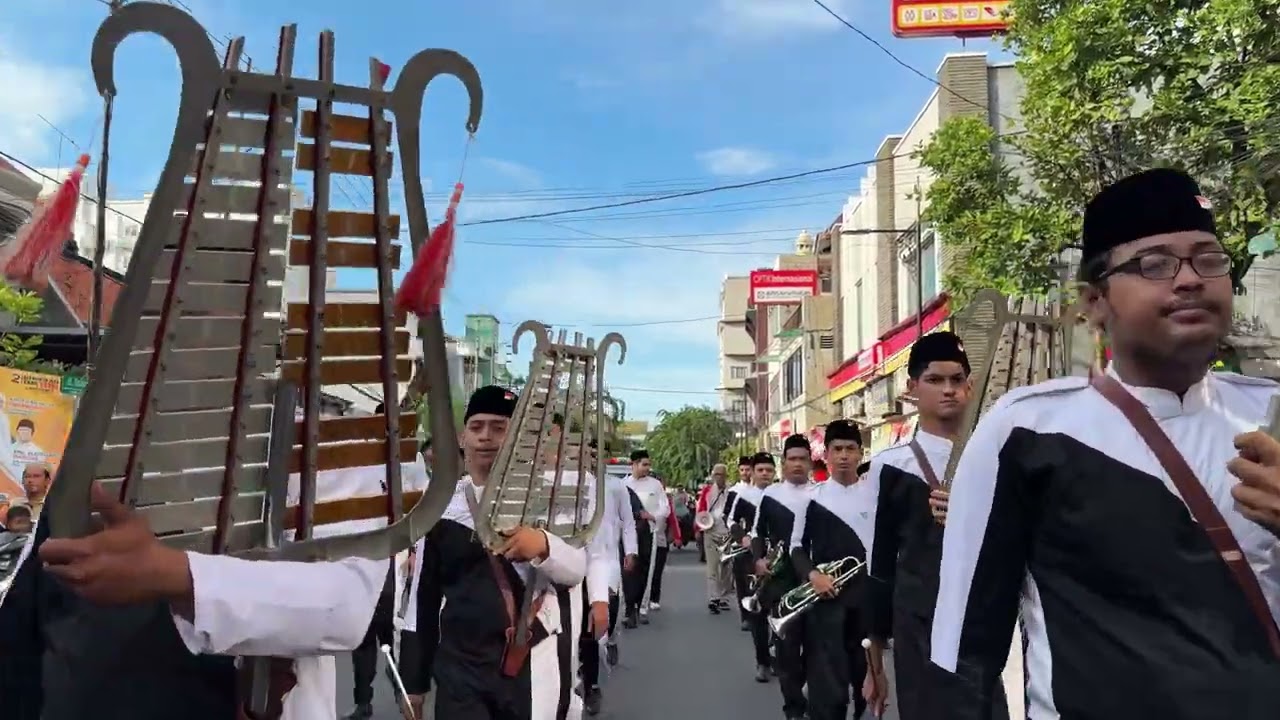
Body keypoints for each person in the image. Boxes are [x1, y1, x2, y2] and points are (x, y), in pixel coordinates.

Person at [929, 168, 1280, 719]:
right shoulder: (1029, 431)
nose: (1189, 279)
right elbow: (964, 652)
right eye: (1155, 264)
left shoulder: (1270, 416)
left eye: (1208, 260)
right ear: (1094, 301)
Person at [405, 385, 587, 720]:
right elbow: (422, 600)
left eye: (499, 427)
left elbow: (576, 569)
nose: (485, 436)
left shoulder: (548, 499)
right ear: (463, 437)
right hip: (461, 669)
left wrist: (543, 545)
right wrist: (413, 685)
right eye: (477, 427)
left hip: (532, 661)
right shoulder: (439, 506)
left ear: (518, 438)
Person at [863, 331, 1002, 720]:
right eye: (935, 380)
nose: (949, 390)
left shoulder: (996, 458)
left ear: (970, 387)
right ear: (912, 388)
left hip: (982, 627)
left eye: (957, 380)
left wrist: (972, 516)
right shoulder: (890, 467)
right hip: (918, 629)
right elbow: (879, 564)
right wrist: (875, 663)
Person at [790, 419, 873, 720]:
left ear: (860, 454)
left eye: (850, 449)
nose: (843, 456)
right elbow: (796, 548)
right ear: (825, 454)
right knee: (827, 688)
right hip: (826, 602)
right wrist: (814, 576)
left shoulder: (876, 495)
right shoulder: (811, 498)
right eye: (836, 449)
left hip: (866, 602)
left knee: (867, 681)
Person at [750, 436, 815, 718]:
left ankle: (804, 686)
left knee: (815, 649)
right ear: (784, 463)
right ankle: (794, 709)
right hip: (780, 583)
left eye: (803, 459)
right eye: (792, 459)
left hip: (814, 582)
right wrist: (759, 559)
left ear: (811, 462)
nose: (798, 464)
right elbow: (757, 534)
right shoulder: (771, 496)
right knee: (787, 651)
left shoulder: (822, 494)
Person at [579, 440, 638, 716]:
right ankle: (590, 684)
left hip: (607, 560)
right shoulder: (567, 482)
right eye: (585, 451)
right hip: (573, 562)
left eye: (595, 452)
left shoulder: (615, 486)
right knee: (584, 628)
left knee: (607, 618)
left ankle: (610, 639)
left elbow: (628, 522)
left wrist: (632, 551)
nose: (590, 457)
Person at [726, 452, 775, 673]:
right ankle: (762, 661)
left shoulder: (780, 495)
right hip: (751, 558)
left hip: (778, 559)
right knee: (758, 612)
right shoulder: (744, 495)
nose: (765, 474)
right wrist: (742, 537)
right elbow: (731, 521)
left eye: (769, 470)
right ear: (753, 473)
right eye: (760, 470)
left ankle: (779, 656)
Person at [622, 450, 666, 625]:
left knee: (646, 570)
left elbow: (664, 508)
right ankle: (629, 608)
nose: (647, 468)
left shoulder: (655, 485)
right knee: (629, 570)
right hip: (627, 534)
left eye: (649, 464)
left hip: (648, 532)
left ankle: (642, 607)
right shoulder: (623, 485)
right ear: (633, 464)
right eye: (644, 464)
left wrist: (652, 515)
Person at [697, 463, 734, 614]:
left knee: (726, 567)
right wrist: (699, 528)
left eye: (721, 474)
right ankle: (714, 598)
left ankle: (724, 597)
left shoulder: (732, 492)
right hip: (710, 532)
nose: (718, 477)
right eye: (716, 474)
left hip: (728, 533)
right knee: (712, 567)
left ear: (726, 476)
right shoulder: (707, 491)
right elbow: (701, 511)